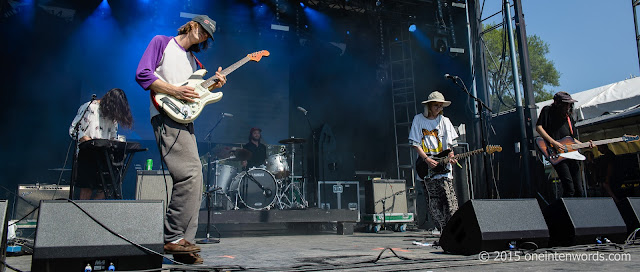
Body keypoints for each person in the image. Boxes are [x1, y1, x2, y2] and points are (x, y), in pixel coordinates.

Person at [135, 15, 226, 264]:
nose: (205, 36)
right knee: (190, 174)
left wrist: (212, 86)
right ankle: (173, 236)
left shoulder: (194, 61)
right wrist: (175, 90)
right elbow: (143, 75)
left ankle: (184, 244)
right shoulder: (161, 42)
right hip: (166, 115)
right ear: (192, 25)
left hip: (185, 120)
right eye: (203, 30)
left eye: (209, 35)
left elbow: (195, 94)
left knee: (195, 176)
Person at [69, 88, 133, 200]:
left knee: (107, 188)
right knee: (87, 187)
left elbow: (113, 136)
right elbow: (73, 130)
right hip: (88, 154)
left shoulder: (113, 115)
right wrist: (85, 139)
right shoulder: (89, 107)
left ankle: (93, 211)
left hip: (105, 155)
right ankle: (83, 213)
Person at [409, 91, 459, 231]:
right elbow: (415, 143)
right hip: (427, 166)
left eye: (441, 106)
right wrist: (426, 159)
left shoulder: (445, 121)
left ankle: (453, 230)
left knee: (450, 201)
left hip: (443, 167)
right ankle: (443, 231)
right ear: (429, 106)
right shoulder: (418, 119)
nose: (439, 108)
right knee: (433, 202)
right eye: (436, 105)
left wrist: (451, 156)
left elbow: (450, 146)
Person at [536, 91, 591, 197]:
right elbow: (539, 127)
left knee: (579, 189)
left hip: (571, 153)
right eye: (565, 104)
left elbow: (573, 139)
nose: (568, 106)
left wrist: (585, 144)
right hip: (557, 152)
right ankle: (565, 212)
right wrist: (554, 142)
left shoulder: (569, 117)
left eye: (569, 104)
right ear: (557, 103)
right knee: (569, 188)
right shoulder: (547, 111)